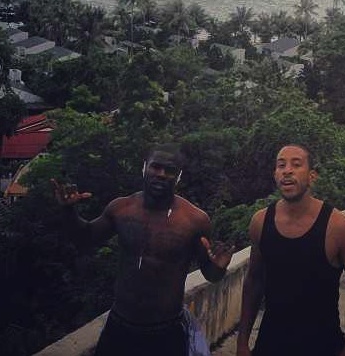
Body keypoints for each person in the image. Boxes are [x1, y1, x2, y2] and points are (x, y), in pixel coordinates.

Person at [52, 143, 234, 356]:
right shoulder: (121, 209)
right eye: (156, 167)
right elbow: (85, 238)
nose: (161, 174)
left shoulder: (194, 220)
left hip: (167, 331)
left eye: (170, 170)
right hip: (120, 326)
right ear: (144, 167)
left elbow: (210, 275)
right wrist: (68, 211)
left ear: (178, 176)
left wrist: (219, 267)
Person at [236, 144, 345, 356]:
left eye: (296, 164)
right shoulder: (260, 222)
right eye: (281, 165)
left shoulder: (339, 227)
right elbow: (254, 281)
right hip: (270, 345)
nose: (287, 170)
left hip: (322, 346)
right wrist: (242, 342)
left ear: (312, 176)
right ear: (275, 175)